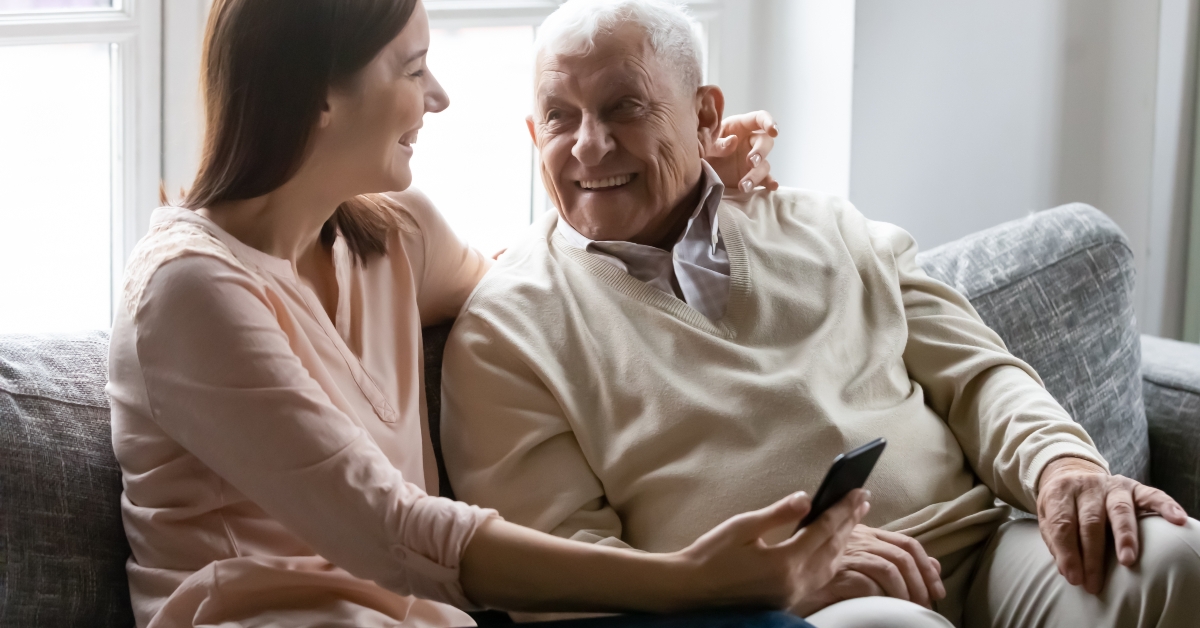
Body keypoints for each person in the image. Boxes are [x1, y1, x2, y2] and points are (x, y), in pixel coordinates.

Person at [105, 0, 871, 626]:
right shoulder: (187, 292)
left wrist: (691, 177)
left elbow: (530, 283)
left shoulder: (395, 238)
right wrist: (690, 580)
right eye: (413, 69)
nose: (437, 97)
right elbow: (393, 533)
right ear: (319, 94)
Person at [438, 1, 1200, 627]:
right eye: (560, 118)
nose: (589, 145)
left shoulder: (830, 224)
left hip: (979, 551)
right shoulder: (509, 326)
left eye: (624, 107)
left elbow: (980, 377)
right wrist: (767, 582)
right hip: (793, 609)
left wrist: (1064, 465)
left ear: (705, 117)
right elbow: (565, 571)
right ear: (533, 136)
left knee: (1171, 557)